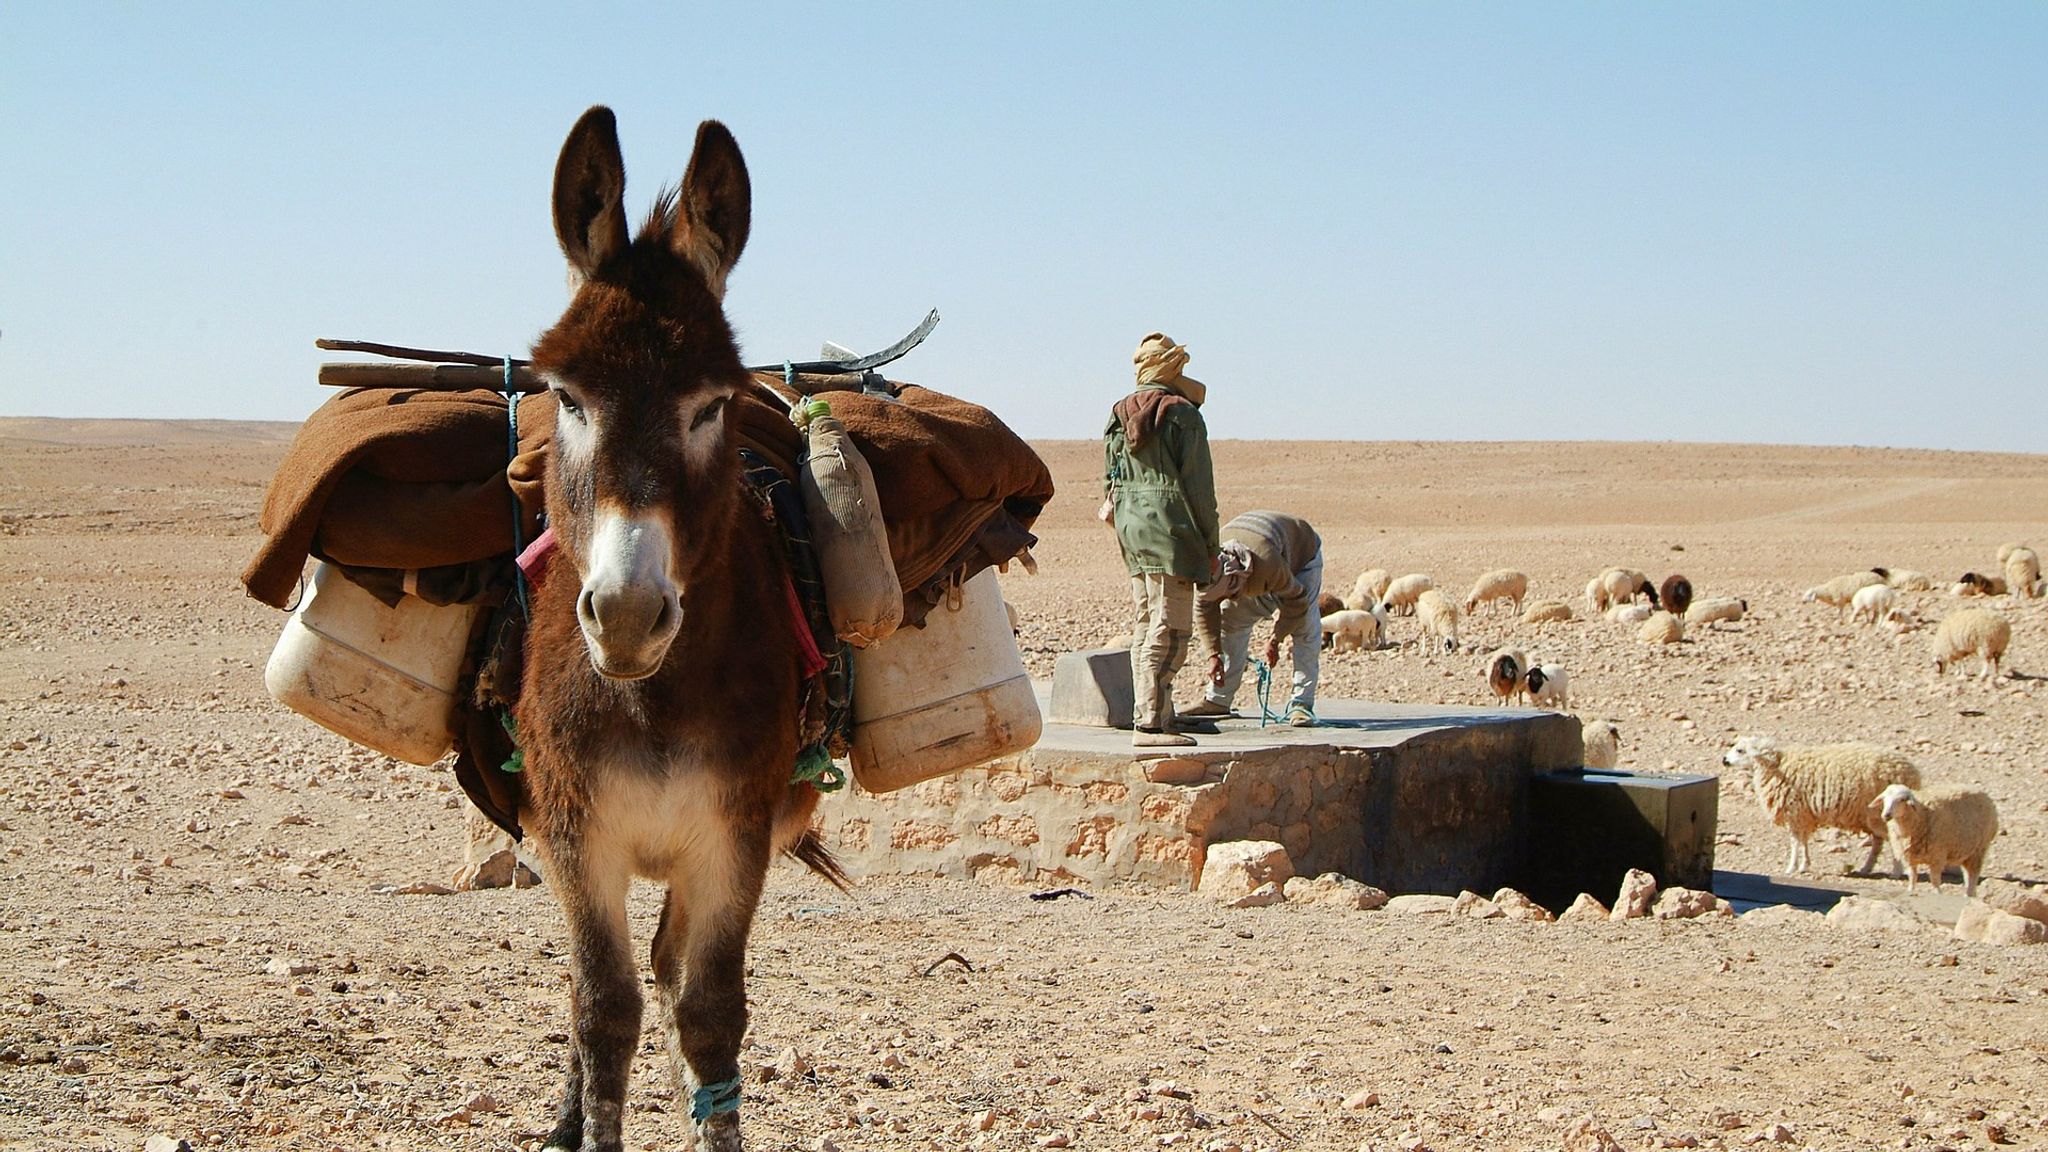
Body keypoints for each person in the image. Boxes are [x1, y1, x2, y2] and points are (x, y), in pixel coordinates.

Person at [1103, 332, 1219, 747]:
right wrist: (1210, 547)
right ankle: (1151, 723)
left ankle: (1155, 712)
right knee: (1170, 627)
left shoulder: (1118, 413)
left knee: (1144, 621)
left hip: (1132, 530)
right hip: (1172, 531)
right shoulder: (1182, 414)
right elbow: (1200, 491)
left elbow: (1108, 481)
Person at [1183, 510, 1323, 727]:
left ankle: (1301, 704)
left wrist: (1276, 638)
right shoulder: (1209, 570)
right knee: (1230, 621)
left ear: (1236, 581)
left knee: (1304, 628)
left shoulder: (1267, 564)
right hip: (1256, 564)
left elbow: (1297, 601)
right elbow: (1205, 609)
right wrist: (1213, 655)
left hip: (1301, 556)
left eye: (1227, 594)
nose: (1226, 599)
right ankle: (1218, 700)